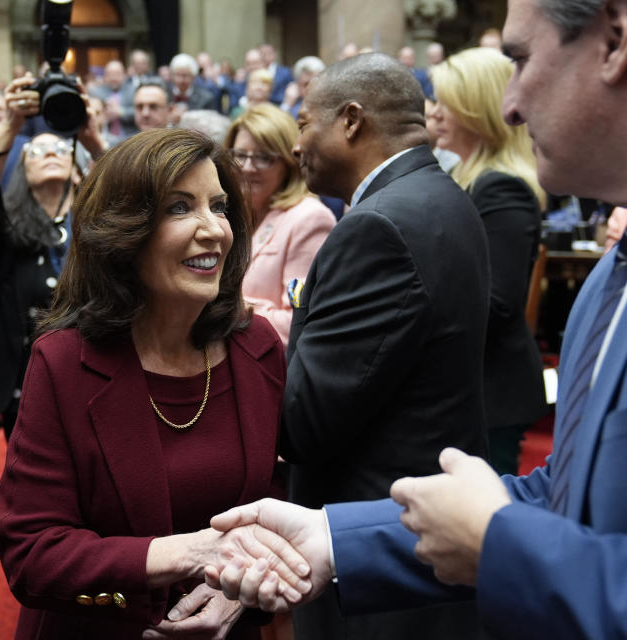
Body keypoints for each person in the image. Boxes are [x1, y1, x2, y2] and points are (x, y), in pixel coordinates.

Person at [207, 2, 627, 639]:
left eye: (519, 59)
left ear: (615, 39)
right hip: (396, 544)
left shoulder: (381, 222)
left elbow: (306, 423)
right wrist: (336, 537)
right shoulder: (593, 271)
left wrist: (237, 324)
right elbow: (569, 495)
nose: (509, 105)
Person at [0, 126, 300, 639]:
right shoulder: (65, 361)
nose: (213, 229)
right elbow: (32, 553)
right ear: (124, 234)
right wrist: (191, 552)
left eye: (219, 206)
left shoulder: (257, 345)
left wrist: (234, 588)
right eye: (180, 208)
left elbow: (280, 496)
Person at [281, 52, 490, 639]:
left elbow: (304, 421)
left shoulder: (378, 226)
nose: (298, 146)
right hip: (420, 541)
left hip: (376, 557)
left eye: (303, 124)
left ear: (350, 120)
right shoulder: (442, 195)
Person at [0, 75, 104, 440]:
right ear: (22, 170)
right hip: (25, 380)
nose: (51, 152)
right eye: (36, 152)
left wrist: (90, 138)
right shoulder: (5, 230)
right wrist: (11, 124)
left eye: (60, 148)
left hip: (99, 369)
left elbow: (139, 195)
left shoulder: (102, 220)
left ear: (75, 169)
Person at [429, 47, 547, 475]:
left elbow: (498, 301)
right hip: (472, 387)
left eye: (447, 102)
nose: (435, 112)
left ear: (476, 109)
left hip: (490, 393)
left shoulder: (501, 186)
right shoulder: (467, 177)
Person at [224, 104, 334, 348]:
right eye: (240, 155)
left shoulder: (309, 218)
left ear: (288, 164)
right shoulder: (230, 214)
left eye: (263, 158)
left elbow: (299, 323)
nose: (248, 168)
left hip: (271, 371)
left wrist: (227, 307)